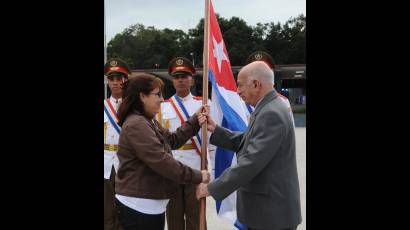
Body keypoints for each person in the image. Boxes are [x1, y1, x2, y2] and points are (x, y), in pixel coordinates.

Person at [196, 61, 301, 230]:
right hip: (267, 210)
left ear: (256, 84)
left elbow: (251, 162)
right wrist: (215, 129)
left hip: (271, 215)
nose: (237, 91)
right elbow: (248, 140)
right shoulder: (268, 107)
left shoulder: (271, 113)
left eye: (240, 85)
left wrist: (211, 188)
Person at [114, 73, 210, 230]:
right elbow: (163, 162)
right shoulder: (136, 124)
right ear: (142, 96)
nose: (161, 99)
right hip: (139, 207)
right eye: (157, 94)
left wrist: (194, 121)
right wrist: (199, 175)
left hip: (148, 205)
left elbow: (171, 140)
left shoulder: (146, 120)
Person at [156, 57, 215, 230]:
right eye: (176, 76)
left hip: (195, 168)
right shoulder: (162, 106)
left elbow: (211, 140)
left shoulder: (203, 103)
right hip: (172, 169)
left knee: (196, 218)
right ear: (172, 81)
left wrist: (212, 168)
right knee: (174, 218)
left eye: (184, 76)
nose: (180, 80)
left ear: (192, 79)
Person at [104, 58, 130, 230]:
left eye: (119, 78)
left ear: (125, 81)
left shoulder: (134, 107)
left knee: (125, 211)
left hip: (126, 164)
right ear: (107, 81)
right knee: (106, 211)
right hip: (105, 163)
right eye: (112, 79)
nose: (115, 83)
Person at [245, 51, 295, 126]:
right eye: (255, 71)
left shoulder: (282, 101)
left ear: (271, 74)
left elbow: (289, 132)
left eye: (264, 71)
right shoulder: (237, 101)